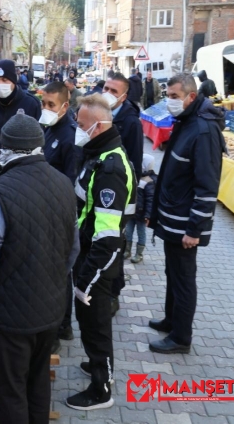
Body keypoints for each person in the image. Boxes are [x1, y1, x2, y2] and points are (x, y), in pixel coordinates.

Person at [0, 114, 79, 424]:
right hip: (50, 310)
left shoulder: (1, 194)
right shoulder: (64, 184)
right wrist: (52, 281)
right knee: (37, 383)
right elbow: (73, 249)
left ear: (6, 151)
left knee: (10, 391)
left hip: (12, 318)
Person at [66, 94, 135, 411]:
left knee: (94, 322)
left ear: (97, 126)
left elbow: (107, 238)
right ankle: (98, 363)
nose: (76, 129)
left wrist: (87, 281)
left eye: (80, 125)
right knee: (91, 321)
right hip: (88, 254)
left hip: (98, 262)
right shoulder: (99, 154)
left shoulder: (110, 169)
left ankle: (101, 388)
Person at [148, 73, 226, 354]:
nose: (169, 102)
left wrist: (195, 229)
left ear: (191, 97)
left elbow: (207, 185)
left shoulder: (203, 131)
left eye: (174, 97)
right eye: (167, 96)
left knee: (183, 277)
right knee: (173, 271)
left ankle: (181, 337)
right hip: (173, 216)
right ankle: (171, 320)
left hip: (186, 224)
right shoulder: (187, 121)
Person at [40, 81, 83, 353]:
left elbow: (70, 183)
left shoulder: (69, 137)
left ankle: (59, 328)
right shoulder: (49, 130)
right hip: (47, 211)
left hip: (60, 215)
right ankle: (63, 324)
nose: (45, 109)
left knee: (58, 274)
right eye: (43, 103)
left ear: (65, 106)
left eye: (51, 105)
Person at [0, 59, 42, 209]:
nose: (0, 84)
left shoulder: (31, 104)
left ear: (14, 81)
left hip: (22, 178)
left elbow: (41, 146)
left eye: (5, 80)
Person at [103, 73, 143, 314]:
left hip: (118, 196)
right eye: (106, 87)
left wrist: (129, 200)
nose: (107, 93)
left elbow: (134, 164)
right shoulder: (102, 114)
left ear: (124, 96)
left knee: (115, 246)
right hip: (100, 191)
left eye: (114, 91)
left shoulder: (130, 123)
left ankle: (113, 294)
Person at [124, 154, 157, 264]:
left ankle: (139, 254)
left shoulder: (148, 181)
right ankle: (127, 250)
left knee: (141, 233)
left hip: (142, 214)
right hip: (131, 212)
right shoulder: (134, 176)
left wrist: (147, 215)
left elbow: (150, 200)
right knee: (128, 232)